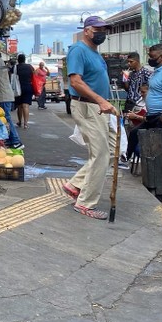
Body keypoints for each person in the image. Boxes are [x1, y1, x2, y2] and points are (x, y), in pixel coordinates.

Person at [61, 16, 119, 220]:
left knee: (112, 150)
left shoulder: (95, 52)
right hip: (88, 107)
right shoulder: (79, 50)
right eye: (98, 29)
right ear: (86, 30)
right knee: (101, 154)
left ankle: (75, 184)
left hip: (99, 108)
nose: (102, 33)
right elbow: (76, 82)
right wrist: (100, 101)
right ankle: (85, 203)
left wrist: (105, 103)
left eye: (105, 29)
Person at [0, 51, 22, 149]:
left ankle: (16, 141)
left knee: (6, 118)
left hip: (3, 95)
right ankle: (11, 140)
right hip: (2, 95)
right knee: (5, 118)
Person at [14, 54, 34, 128]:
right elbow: (34, 75)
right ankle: (26, 124)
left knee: (19, 106)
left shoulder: (15, 67)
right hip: (28, 87)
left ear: (18, 60)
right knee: (26, 106)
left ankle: (20, 122)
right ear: (24, 59)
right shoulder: (30, 67)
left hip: (18, 88)